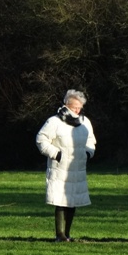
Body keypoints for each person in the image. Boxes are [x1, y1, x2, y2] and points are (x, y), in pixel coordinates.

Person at [36, 89, 96, 242]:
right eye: (75, 107)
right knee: (60, 200)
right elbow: (41, 139)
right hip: (60, 167)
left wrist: (88, 153)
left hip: (77, 168)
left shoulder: (85, 122)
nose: (78, 110)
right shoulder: (54, 122)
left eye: (80, 107)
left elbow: (91, 140)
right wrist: (56, 154)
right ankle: (60, 234)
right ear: (67, 105)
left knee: (72, 200)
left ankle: (67, 233)